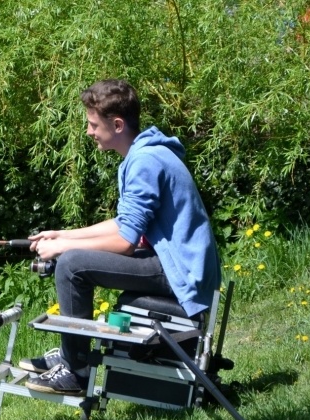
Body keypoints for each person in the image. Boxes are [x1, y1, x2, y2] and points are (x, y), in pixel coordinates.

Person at [19, 78, 221, 395]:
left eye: (92, 124)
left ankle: (76, 369)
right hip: (175, 265)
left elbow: (125, 242)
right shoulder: (145, 155)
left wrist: (64, 248)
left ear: (116, 124)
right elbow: (123, 223)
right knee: (69, 255)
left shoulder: (144, 161)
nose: (89, 132)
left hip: (179, 273)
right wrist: (62, 234)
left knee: (71, 265)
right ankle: (74, 353)